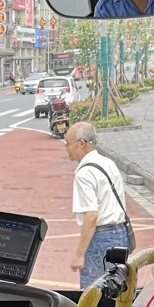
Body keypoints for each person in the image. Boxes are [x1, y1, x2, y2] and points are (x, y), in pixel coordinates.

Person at [65, 122, 129, 288]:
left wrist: (79, 254)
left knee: (93, 293)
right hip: (120, 233)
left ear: (81, 143)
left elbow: (91, 215)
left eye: (68, 144)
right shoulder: (108, 163)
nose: (66, 149)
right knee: (116, 289)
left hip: (100, 239)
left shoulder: (84, 173)